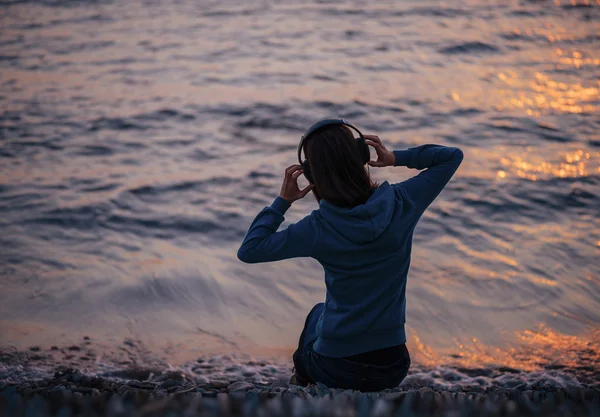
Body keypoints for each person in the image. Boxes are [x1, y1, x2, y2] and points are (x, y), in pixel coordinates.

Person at [237, 119, 463, 391]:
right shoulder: (403, 202)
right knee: (320, 316)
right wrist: (394, 158)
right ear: (361, 156)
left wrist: (283, 201)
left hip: (335, 367)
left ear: (311, 174)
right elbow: (451, 157)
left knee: (317, 315)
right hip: (392, 367)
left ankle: (301, 386)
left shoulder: (317, 228)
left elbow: (250, 250)